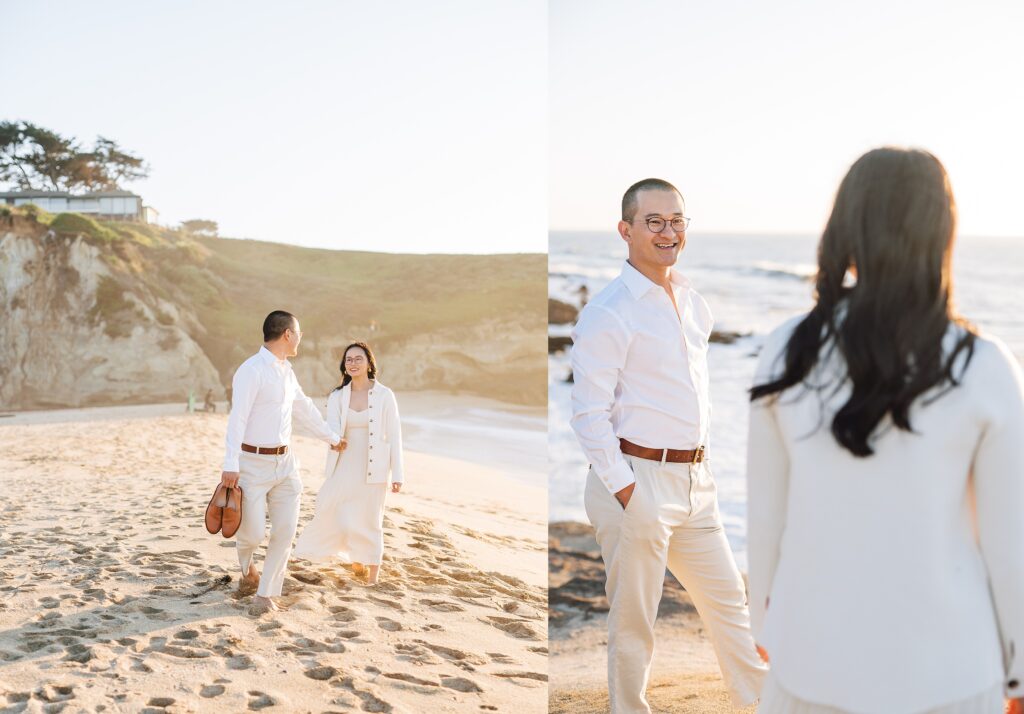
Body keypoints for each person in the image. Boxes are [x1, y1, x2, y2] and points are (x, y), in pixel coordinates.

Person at [747, 147, 1024, 713]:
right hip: (951, 673)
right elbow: (1010, 546)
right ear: (941, 230)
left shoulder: (786, 353)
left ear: (847, 225)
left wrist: (767, 624)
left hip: (811, 666)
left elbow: (766, 519)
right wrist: (1019, 673)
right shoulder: (981, 366)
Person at [570, 178, 767, 713]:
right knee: (636, 621)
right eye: (653, 221)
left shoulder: (693, 303)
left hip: (695, 482)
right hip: (637, 480)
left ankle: (764, 701)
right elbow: (587, 414)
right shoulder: (609, 311)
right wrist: (630, 492)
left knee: (729, 601)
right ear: (625, 230)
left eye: (677, 220)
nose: (667, 231)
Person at [219, 310, 344, 614]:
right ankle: (248, 567)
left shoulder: (288, 372)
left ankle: (265, 594)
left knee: (286, 530)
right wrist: (230, 462)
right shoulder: (251, 370)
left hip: (286, 464)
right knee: (251, 534)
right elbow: (238, 418)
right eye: (299, 332)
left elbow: (305, 409)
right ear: (287, 334)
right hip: (251, 464)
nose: (301, 338)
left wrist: (331, 437)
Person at [294, 342, 404, 586]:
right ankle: (356, 556)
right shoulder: (337, 396)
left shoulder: (385, 395)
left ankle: (373, 576)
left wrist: (397, 474)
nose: (353, 363)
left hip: (374, 467)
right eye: (348, 360)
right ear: (344, 365)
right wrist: (334, 441)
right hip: (343, 463)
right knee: (331, 507)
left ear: (369, 363)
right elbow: (332, 428)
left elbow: (394, 435)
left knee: (370, 518)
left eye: (358, 359)